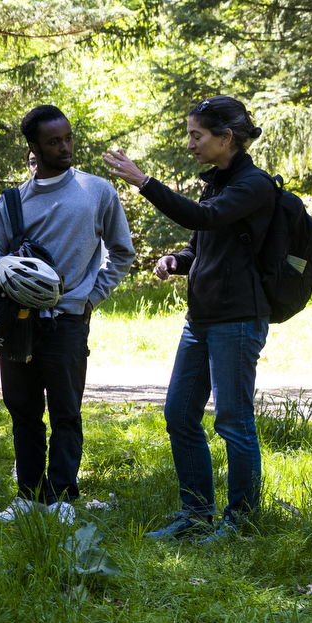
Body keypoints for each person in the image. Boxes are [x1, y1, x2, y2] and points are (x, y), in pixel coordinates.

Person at [102, 96, 274, 542]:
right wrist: (177, 260)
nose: (191, 144)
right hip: (202, 317)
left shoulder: (253, 184)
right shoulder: (214, 183)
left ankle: (241, 522)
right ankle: (196, 514)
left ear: (226, 137)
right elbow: (203, 242)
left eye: (197, 135)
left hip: (237, 319)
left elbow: (206, 218)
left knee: (233, 421)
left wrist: (144, 181)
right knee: (179, 413)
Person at [0, 105, 134, 524]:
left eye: (68, 138)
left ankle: (63, 497)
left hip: (67, 320)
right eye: (54, 141)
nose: (65, 147)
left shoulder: (97, 191)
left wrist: (90, 298)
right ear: (34, 147)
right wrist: (3, 270)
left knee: (66, 410)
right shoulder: (12, 202)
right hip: (18, 322)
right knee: (23, 409)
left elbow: (122, 253)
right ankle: (28, 496)